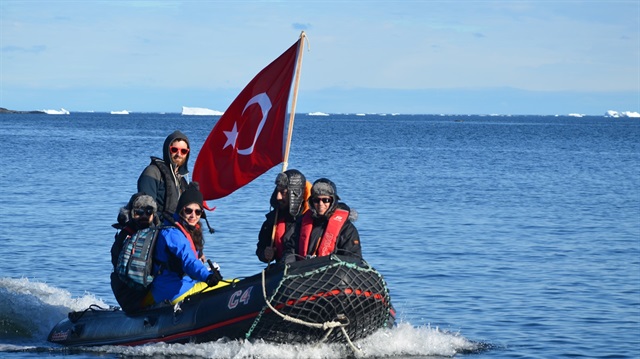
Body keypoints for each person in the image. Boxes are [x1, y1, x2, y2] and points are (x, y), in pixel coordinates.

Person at [146, 183, 222, 305]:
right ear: (181, 210)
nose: (193, 216)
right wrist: (207, 276)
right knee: (226, 287)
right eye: (188, 211)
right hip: (171, 291)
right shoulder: (172, 233)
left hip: (176, 286)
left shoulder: (186, 229)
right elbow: (188, 260)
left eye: (198, 212)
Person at [282, 178, 362, 263]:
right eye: (316, 200)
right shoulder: (301, 223)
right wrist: (288, 263)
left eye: (326, 200)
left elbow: (353, 258)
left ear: (333, 201)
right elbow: (290, 249)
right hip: (303, 271)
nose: (321, 204)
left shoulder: (347, 229)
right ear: (311, 202)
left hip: (334, 272)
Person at [110, 193, 158, 313]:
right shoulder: (125, 237)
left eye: (148, 211)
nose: (144, 216)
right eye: (139, 212)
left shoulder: (159, 233)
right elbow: (118, 267)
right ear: (131, 214)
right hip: (131, 293)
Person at [256, 169, 311, 263]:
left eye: (283, 193)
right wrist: (265, 254)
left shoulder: (313, 217)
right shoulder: (273, 219)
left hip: (308, 269)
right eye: (277, 191)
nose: (278, 197)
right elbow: (261, 247)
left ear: (295, 194)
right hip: (282, 270)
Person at [137, 130, 191, 220]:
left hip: (177, 229)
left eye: (183, 151)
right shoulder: (152, 172)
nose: (179, 154)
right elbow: (146, 208)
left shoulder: (182, 180)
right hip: (158, 229)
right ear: (167, 149)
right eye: (174, 149)